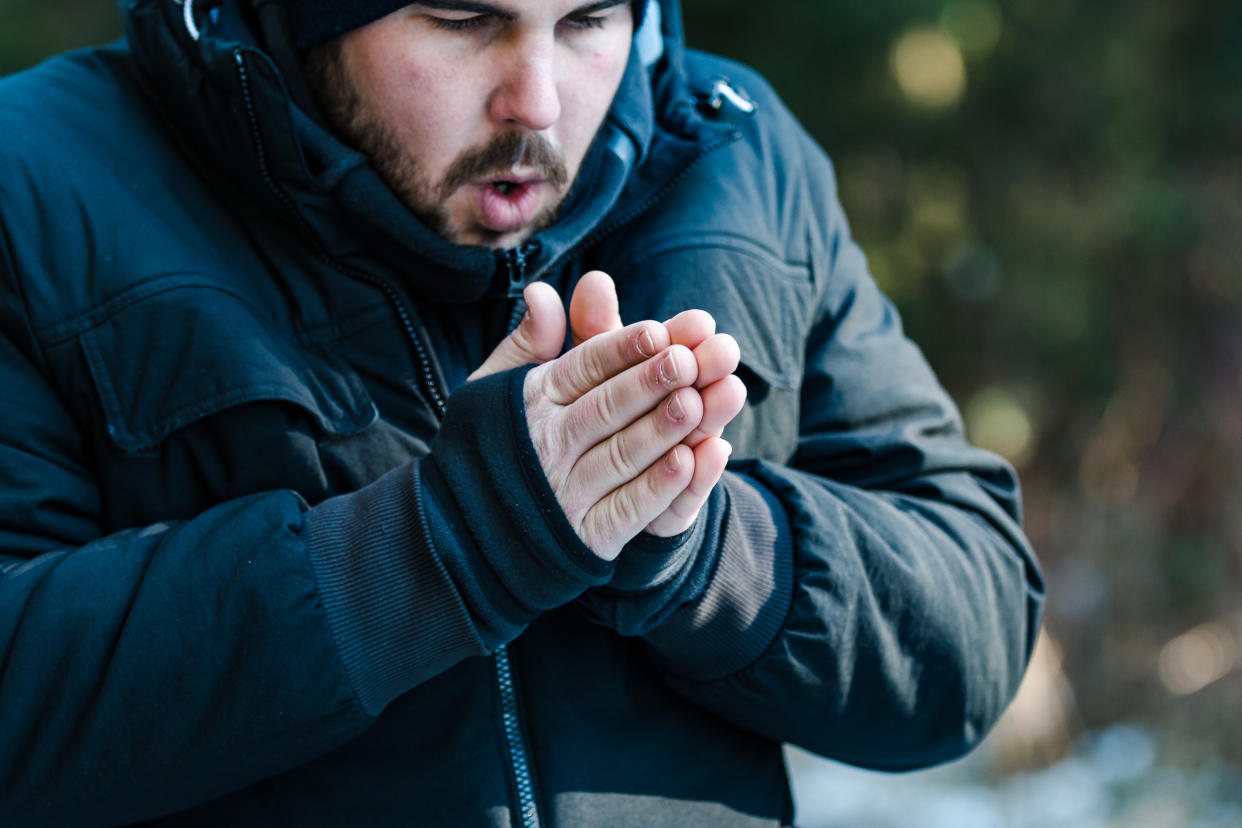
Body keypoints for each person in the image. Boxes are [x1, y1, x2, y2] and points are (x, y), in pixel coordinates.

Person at [0, 0, 1044, 825]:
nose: (538, 103)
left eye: (591, 19)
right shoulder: (40, 180)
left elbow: (972, 633)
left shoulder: (737, 157)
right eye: (462, 19)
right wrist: (439, 548)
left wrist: (703, 549)